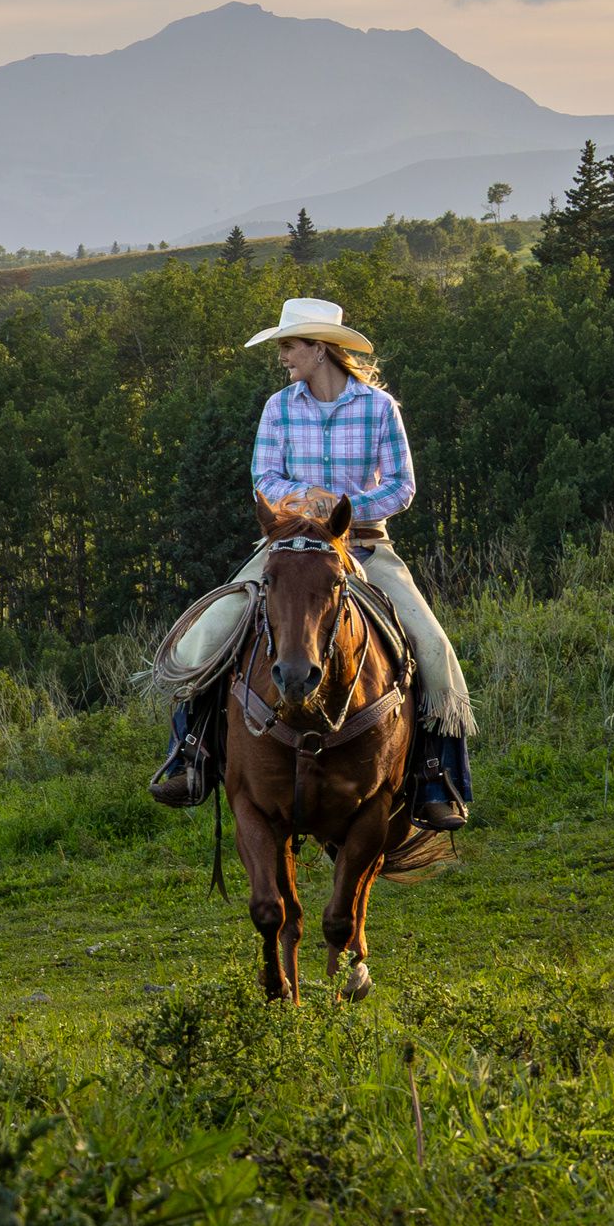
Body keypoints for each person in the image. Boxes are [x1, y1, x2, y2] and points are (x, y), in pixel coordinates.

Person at [146, 295, 475, 829]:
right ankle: (190, 754)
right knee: (207, 634)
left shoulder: (378, 409)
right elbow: (264, 479)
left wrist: (343, 508)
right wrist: (306, 501)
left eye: (290, 345)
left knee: (433, 648)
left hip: (365, 544)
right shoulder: (278, 407)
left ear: (319, 349)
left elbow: (402, 487)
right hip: (287, 547)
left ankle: (438, 779)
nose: (283, 356)